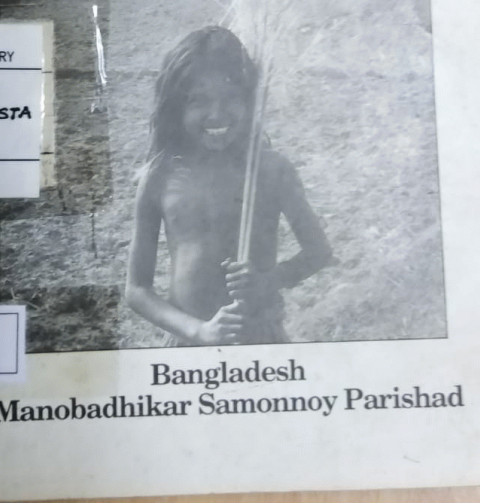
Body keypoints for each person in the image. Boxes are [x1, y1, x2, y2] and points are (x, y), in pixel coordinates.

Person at [125, 26, 332, 346]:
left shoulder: (271, 170)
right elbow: (137, 290)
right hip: (188, 343)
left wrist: (270, 280)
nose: (216, 114)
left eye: (231, 97)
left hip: (260, 337)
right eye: (198, 101)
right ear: (176, 108)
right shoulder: (160, 177)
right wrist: (198, 330)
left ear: (250, 101)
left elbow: (319, 251)